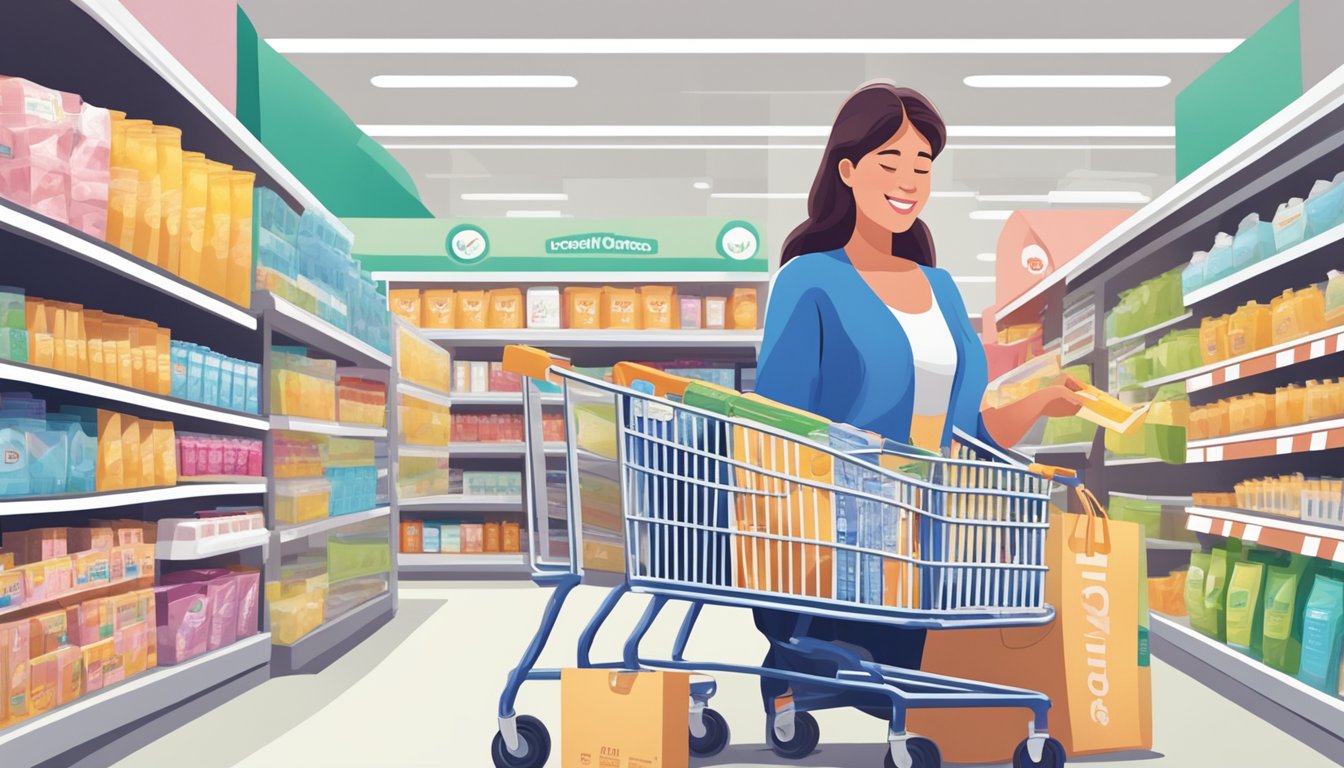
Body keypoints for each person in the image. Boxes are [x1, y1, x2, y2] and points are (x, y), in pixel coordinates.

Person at [751, 81, 1084, 720]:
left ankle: (817, 680)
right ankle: (800, 673)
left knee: (916, 677)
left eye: (923, 166)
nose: (908, 180)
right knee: (892, 683)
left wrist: (1039, 401)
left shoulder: (942, 288)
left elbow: (969, 432)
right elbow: (777, 425)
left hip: (930, 530)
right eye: (891, 162)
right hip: (844, 530)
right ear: (847, 170)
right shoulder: (810, 280)